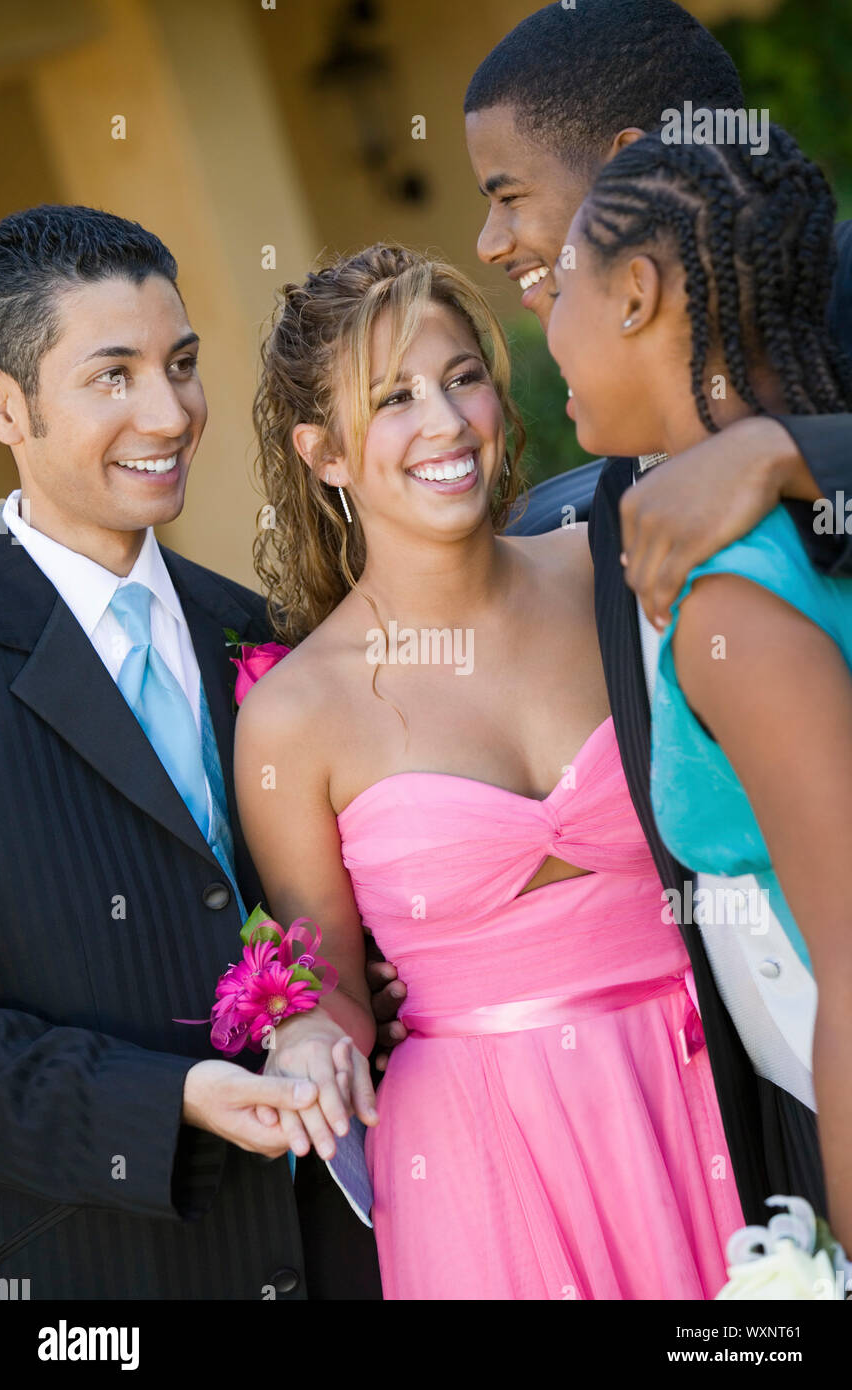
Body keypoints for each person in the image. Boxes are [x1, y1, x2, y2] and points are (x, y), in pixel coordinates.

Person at [370, 0, 852, 1226]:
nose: (488, 239)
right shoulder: (622, 440)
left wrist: (794, 455)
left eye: (507, 192)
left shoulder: (806, 317)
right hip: (770, 1099)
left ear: (635, 161)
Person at [234, 242, 745, 1299]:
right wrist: (302, 1042)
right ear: (323, 451)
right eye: (392, 400)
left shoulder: (615, 566)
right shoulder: (295, 715)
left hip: (710, 1078)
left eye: (462, 378)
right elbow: (327, 989)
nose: (444, 423)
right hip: (480, 1154)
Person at [0, 204, 381, 1299]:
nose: (169, 412)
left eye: (184, 363)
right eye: (111, 375)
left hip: (342, 1252)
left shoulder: (269, 634)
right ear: (1, 403)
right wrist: (168, 1103)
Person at [545, 123, 852, 1252]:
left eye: (562, 289)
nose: (549, 325)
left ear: (635, 293)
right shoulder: (790, 534)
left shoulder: (737, 607)